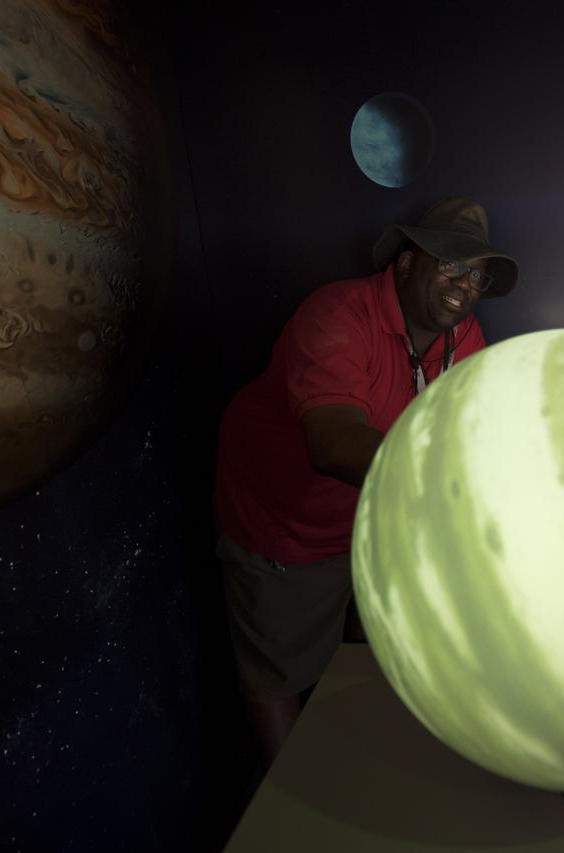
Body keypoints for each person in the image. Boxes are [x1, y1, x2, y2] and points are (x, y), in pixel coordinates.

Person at [213, 196, 519, 768]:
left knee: (368, 654)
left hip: (373, 516)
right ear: (405, 262)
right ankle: (287, 809)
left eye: (477, 273)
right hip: (285, 523)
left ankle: (355, 777)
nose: (467, 282)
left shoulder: (464, 335)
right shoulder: (338, 314)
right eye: (451, 262)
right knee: (278, 669)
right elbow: (331, 444)